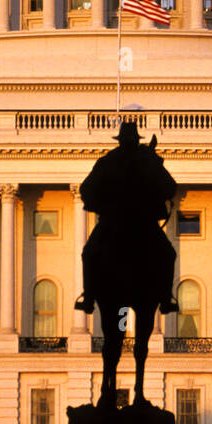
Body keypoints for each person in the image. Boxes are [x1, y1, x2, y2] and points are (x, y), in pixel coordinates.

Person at [74, 119, 179, 315]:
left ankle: (88, 298)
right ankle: (166, 298)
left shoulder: (108, 161)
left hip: (111, 224)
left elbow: (85, 190)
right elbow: (170, 187)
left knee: (89, 253)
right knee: (167, 254)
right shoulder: (145, 159)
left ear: (120, 140)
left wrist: (98, 203)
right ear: (135, 140)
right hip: (143, 225)